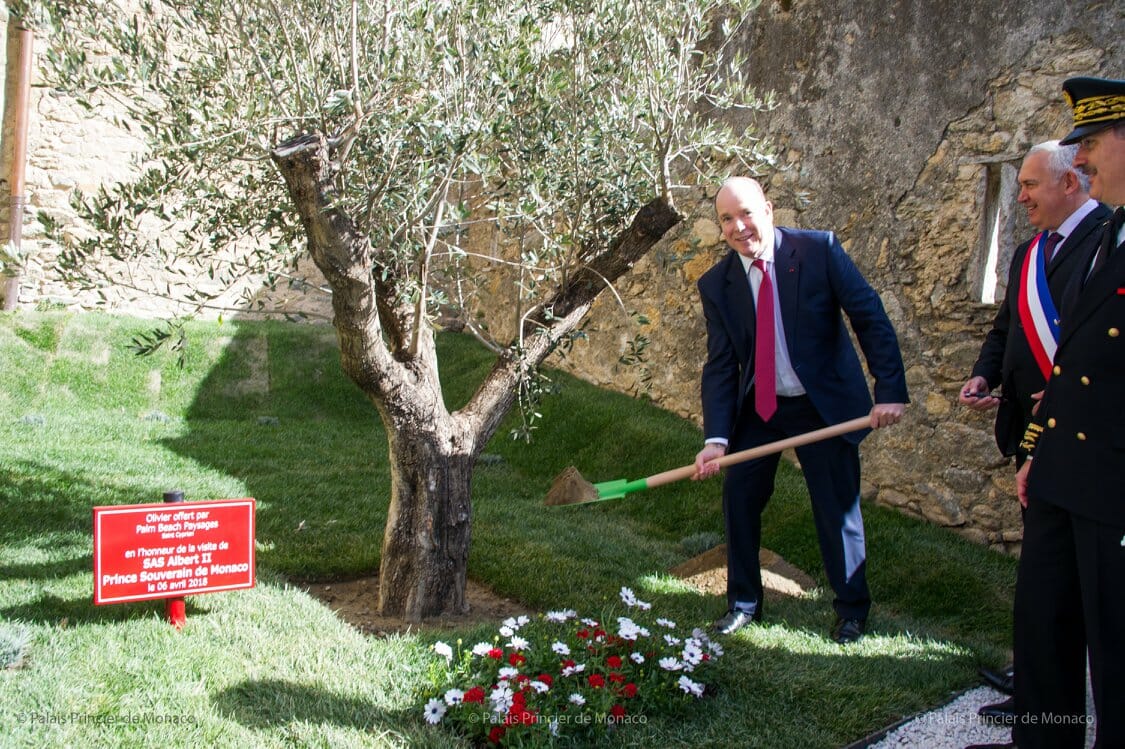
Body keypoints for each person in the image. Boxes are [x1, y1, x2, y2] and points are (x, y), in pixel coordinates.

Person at [692, 176, 907, 644]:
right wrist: (716, 439)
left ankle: (851, 610)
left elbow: (869, 316)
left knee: (837, 507)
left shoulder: (818, 252)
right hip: (760, 409)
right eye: (726, 219)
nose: (738, 226)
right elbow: (723, 365)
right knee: (740, 500)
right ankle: (744, 604)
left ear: (768, 209)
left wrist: (889, 389)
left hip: (822, 406)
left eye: (746, 212)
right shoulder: (717, 284)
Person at [958, 141, 1110, 725]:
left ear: (1070, 183)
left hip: (1082, 439)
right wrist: (982, 373)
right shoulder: (1028, 251)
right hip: (1031, 433)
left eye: (1029, 185)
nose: (1019, 197)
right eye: (1016, 185)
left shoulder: (1105, 243)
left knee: (1080, 585)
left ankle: (1067, 696)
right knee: (1046, 581)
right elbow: (1006, 330)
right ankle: (1042, 691)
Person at [993, 76, 1125, 749]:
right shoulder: (1111, 236)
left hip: (1111, 485)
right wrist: (1037, 449)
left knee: (1114, 652)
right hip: (1060, 471)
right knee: (1043, 628)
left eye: (1092, 144)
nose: (1082, 160)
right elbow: (1074, 366)